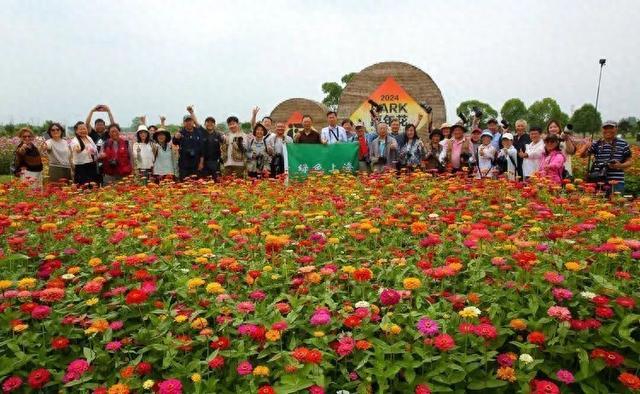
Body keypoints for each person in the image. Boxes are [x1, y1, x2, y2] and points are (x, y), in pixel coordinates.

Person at [576, 120, 632, 194]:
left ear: (616, 129)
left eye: (611, 128)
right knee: (598, 203)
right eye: (605, 128)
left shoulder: (623, 144)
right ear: (602, 130)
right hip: (598, 180)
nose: (608, 130)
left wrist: (620, 165)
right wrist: (586, 146)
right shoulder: (596, 143)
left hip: (616, 181)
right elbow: (582, 155)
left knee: (616, 203)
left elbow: (630, 161)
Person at [173, 110, 204, 181]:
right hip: (184, 164)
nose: (189, 123)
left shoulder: (198, 132)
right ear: (184, 123)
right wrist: (176, 137)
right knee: (184, 184)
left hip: (196, 164)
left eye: (190, 121)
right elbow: (174, 142)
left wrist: (201, 163)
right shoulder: (181, 132)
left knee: (197, 184)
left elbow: (202, 150)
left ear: (193, 122)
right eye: (186, 121)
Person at [70, 121, 100, 186]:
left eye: (84, 128)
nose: (83, 130)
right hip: (81, 167)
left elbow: (95, 149)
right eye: (80, 129)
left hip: (91, 165)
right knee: (83, 187)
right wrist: (78, 149)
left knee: (93, 186)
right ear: (76, 131)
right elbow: (75, 147)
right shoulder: (74, 140)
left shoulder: (89, 138)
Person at [200, 116, 223, 180]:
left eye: (212, 122)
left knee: (217, 182)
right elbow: (196, 123)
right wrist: (191, 112)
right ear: (205, 124)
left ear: (214, 125)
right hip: (204, 163)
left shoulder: (218, 134)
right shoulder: (202, 133)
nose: (210, 124)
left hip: (215, 162)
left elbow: (224, 143)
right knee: (205, 182)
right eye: (208, 122)